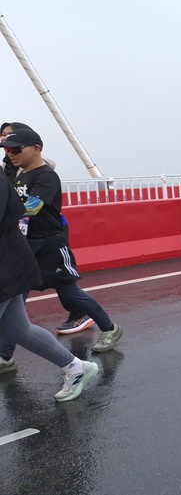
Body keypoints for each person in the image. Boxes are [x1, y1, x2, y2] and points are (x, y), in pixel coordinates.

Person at [0, 126, 123, 356]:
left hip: (50, 245)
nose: (10, 154)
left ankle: (110, 328)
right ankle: (5, 355)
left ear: (36, 149)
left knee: (70, 293)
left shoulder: (46, 176)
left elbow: (32, 208)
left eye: (15, 149)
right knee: (14, 299)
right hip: (25, 246)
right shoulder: (17, 175)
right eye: (6, 149)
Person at [0, 172, 99, 400]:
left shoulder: (43, 176)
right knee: (19, 330)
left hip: (6, 264)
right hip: (11, 261)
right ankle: (76, 368)